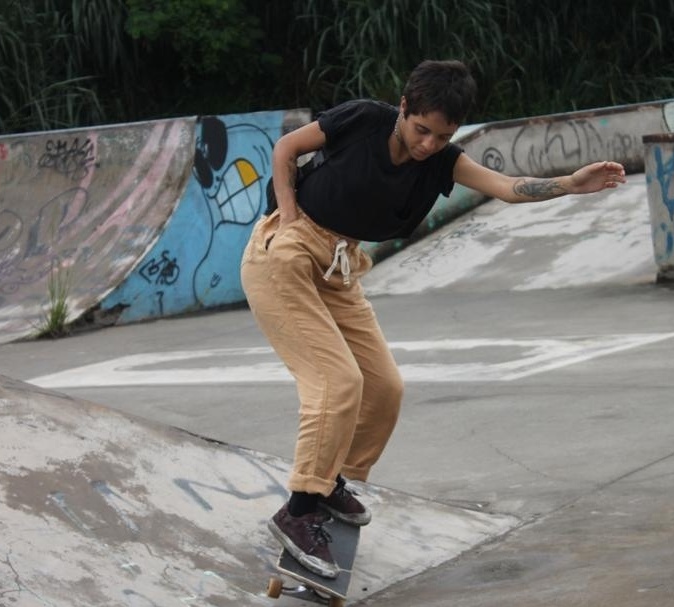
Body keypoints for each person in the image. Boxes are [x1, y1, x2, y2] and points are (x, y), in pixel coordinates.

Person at [241, 59, 626, 578]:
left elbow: (508, 187)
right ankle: (299, 509)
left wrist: (570, 184)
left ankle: (330, 481)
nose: (427, 145)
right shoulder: (363, 119)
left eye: (440, 136)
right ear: (403, 109)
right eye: (421, 130)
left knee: (383, 389)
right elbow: (287, 149)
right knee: (336, 383)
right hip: (284, 253)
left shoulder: (442, 161)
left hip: (339, 266)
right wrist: (286, 216)